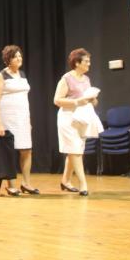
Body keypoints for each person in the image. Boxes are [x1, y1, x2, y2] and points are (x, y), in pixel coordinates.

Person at [0, 45, 39, 196]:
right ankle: (10, 184)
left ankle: (26, 183)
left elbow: (25, 99)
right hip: (8, 117)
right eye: (15, 56)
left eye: (20, 56)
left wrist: (29, 119)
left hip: (23, 117)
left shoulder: (23, 75)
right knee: (9, 151)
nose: (19, 59)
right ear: (8, 59)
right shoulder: (2, 75)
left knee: (26, 149)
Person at [53, 48, 101, 197]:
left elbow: (92, 101)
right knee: (75, 150)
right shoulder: (66, 78)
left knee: (75, 151)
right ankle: (83, 184)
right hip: (68, 118)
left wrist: (93, 99)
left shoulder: (86, 79)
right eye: (86, 61)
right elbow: (57, 100)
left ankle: (65, 181)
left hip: (82, 117)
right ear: (77, 62)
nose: (89, 64)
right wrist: (76, 101)